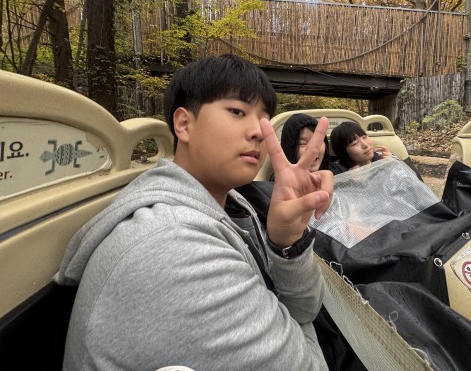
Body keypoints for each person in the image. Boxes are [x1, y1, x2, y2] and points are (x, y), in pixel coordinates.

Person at [54, 54, 333, 370]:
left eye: (264, 118)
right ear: (184, 124)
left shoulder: (231, 204)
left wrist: (287, 242)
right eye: (237, 111)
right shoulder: (174, 246)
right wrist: (291, 317)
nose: (258, 130)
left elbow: (306, 308)